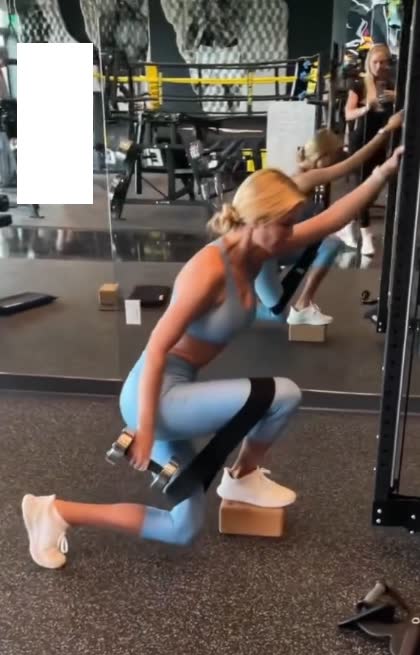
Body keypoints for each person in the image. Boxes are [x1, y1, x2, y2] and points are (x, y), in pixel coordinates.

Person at [22, 149, 403, 569]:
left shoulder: (258, 251)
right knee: (283, 394)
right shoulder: (208, 270)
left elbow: (329, 221)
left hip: (175, 390)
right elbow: (156, 347)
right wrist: (144, 428)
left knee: (182, 529)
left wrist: (383, 172)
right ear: (258, 220)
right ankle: (241, 477)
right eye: (285, 223)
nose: (291, 233)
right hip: (155, 396)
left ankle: (54, 512)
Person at [256, 110, 402, 327]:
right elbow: (352, 163)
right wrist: (387, 130)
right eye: (336, 154)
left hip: (276, 249)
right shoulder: (304, 179)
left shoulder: (306, 179)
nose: (339, 157)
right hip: (261, 257)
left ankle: (303, 305)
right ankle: (231, 307)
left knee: (330, 244)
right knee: (275, 315)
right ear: (323, 158)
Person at [341, 42, 396, 256]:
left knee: (372, 190)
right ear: (369, 63)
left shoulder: (393, 85)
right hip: (361, 143)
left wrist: (396, 98)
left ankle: (346, 225)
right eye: (376, 62)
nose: (380, 66)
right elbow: (348, 114)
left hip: (381, 143)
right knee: (362, 188)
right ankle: (366, 235)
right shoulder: (359, 85)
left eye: (384, 62)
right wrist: (366, 108)